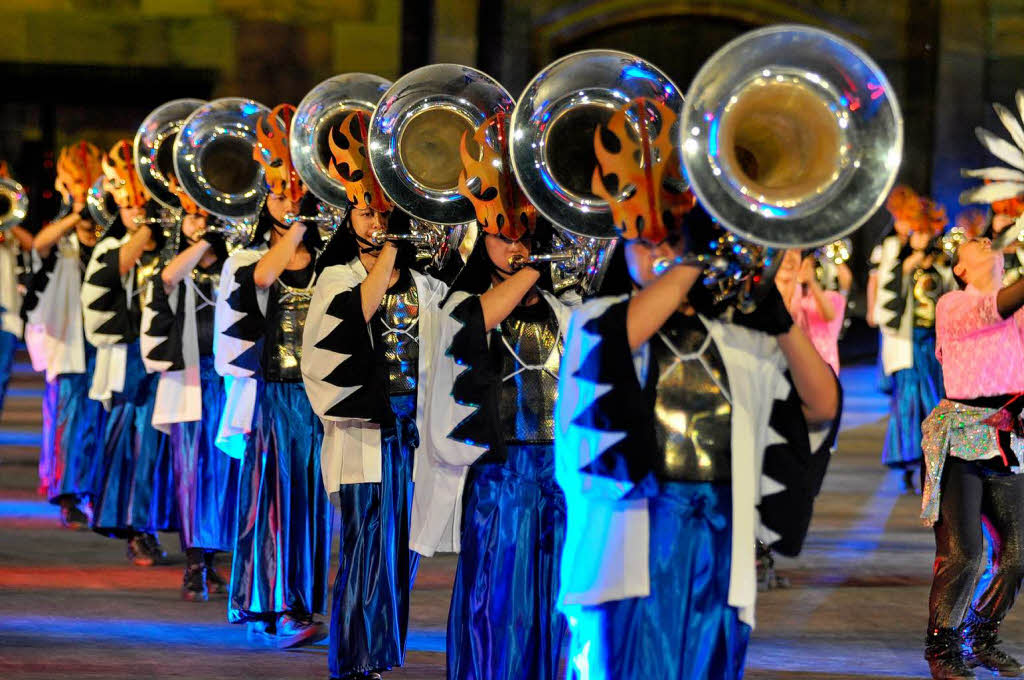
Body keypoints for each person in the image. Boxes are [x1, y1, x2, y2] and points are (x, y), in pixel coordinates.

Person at [553, 98, 841, 680]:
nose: (660, 256)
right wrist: (691, 258)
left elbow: (821, 404)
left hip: (719, 539)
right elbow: (617, 341)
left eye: (671, 243)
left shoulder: (736, 338)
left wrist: (779, 319)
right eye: (647, 246)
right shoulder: (598, 321)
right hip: (632, 539)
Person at [301, 110, 449, 680]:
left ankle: (379, 654)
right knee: (365, 549)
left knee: (398, 555)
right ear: (349, 215)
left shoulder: (423, 281)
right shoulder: (336, 276)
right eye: (367, 209)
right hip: (364, 437)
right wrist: (388, 250)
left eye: (385, 208)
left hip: (412, 438)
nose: (378, 217)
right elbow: (348, 323)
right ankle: (354, 659)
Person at [220, 104, 332, 649]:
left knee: (307, 502)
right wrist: (296, 225)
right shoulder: (246, 256)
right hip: (273, 399)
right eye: (281, 194)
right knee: (274, 502)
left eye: (297, 192)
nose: (290, 202)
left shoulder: (328, 259)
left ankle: (298, 600)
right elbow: (264, 276)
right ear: (267, 201)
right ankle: (275, 603)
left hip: (316, 399)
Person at [920, 236, 1024, 678]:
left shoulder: (1016, 310)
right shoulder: (953, 305)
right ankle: (942, 651)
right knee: (964, 555)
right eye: (973, 243)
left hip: (1006, 443)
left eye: (988, 237)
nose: (984, 238)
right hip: (961, 439)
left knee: (1019, 555)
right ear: (961, 269)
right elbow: (994, 308)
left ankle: (980, 635)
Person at [141, 178, 239, 601]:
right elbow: (166, 277)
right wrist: (202, 242)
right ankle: (195, 562)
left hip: (226, 383)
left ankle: (213, 561)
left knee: (222, 477)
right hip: (189, 384)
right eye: (194, 215)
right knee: (191, 476)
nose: (201, 222)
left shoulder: (234, 265)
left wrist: (223, 242)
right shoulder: (179, 266)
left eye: (208, 215)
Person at [80, 139, 177, 564]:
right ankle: (138, 528)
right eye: (128, 207)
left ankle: (168, 529)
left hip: (170, 360)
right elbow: (116, 269)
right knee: (137, 451)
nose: (137, 212)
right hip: (130, 367)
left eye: (142, 205)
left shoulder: (169, 246)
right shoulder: (111, 247)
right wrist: (144, 228)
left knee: (164, 451)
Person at [27, 142, 107, 529]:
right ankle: (66, 491)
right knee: (68, 416)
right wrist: (74, 213)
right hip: (70, 339)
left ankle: (92, 487)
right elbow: (40, 245)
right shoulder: (62, 237)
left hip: (102, 339)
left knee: (97, 417)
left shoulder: (108, 234)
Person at [869, 187, 951, 492]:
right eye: (915, 230)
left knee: (934, 402)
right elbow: (887, 297)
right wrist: (908, 265)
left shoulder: (942, 262)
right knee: (908, 403)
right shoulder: (897, 257)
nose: (918, 236)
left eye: (923, 231)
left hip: (932, 344)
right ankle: (908, 459)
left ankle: (933, 461)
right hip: (907, 343)